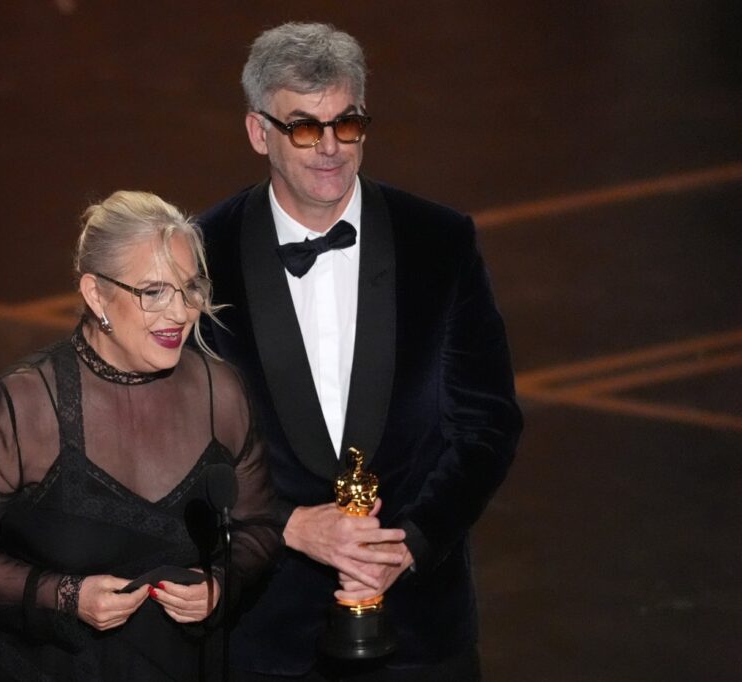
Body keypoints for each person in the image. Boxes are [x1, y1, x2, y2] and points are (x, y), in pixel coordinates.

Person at [197, 22, 524, 680]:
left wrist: (409, 545)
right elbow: (170, 454)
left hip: (419, 633)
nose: (330, 148)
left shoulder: (439, 242)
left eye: (345, 123)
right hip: (263, 641)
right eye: (303, 127)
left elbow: (488, 424)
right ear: (258, 132)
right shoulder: (202, 257)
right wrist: (289, 527)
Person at [0, 190, 283, 681]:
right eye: (153, 292)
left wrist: (221, 583)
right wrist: (65, 596)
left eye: (190, 288)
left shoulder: (221, 393)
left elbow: (258, 527)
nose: (180, 313)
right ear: (95, 294)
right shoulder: (26, 407)